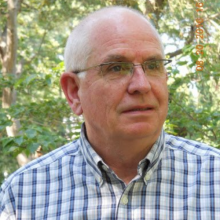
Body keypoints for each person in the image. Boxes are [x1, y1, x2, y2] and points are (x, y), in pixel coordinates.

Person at [0, 6, 220, 220]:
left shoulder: (214, 178)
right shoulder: (22, 197)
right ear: (74, 92)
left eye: (153, 66)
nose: (142, 85)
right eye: (117, 68)